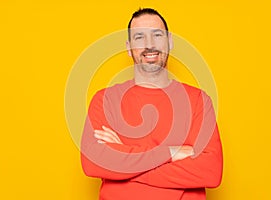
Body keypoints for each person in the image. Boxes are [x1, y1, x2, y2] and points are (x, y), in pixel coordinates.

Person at [81, 8, 223, 200]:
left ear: (170, 42)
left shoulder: (198, 100)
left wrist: (125, 164)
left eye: (157, 35)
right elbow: (93, 163)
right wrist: (171, 153)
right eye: (140, 37)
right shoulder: (105, 100)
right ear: (129, 48)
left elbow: (211, 171)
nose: (149, 45)